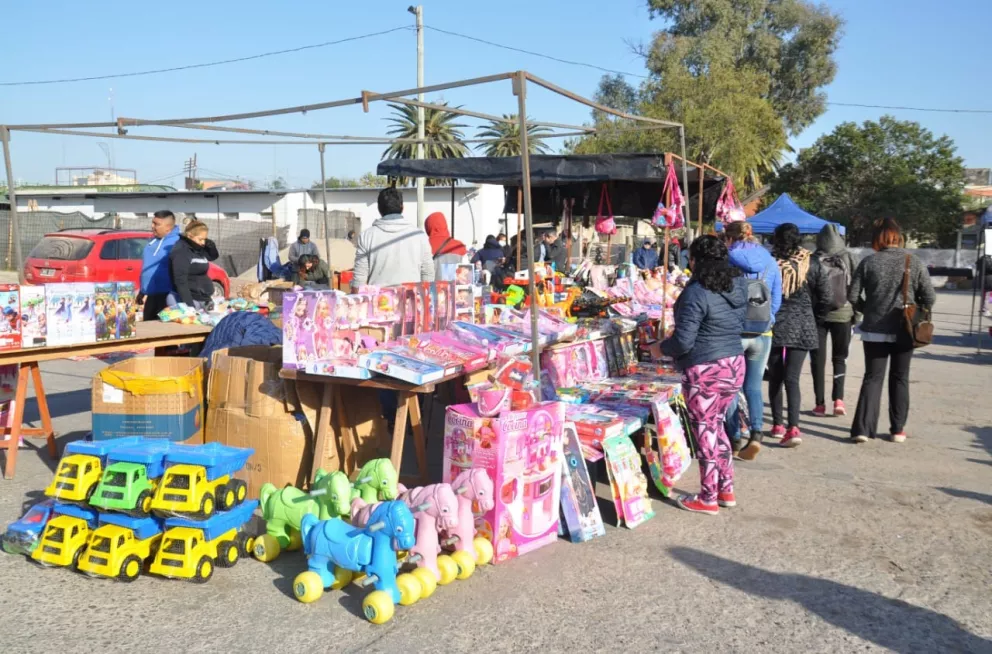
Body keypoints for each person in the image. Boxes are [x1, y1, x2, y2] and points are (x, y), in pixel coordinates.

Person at [661, 235, 747, 515]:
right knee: (717, 426)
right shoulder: (737, 285)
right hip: (734, 363)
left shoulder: (696, 292)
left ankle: (708, 497)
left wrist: (659, 348)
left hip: (706, 368)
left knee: (705, 431)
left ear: (695, 260)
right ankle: (726, 487)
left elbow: (683, 341)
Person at [848, 218, 935, 444]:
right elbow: (930, 297)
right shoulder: (913, 261)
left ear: (877, 238)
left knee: (872, 378)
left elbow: (852, 295)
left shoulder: (869, 262)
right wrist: (917, 311)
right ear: (899, 237)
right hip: (905, 329)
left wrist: (867, 309)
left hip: (874, 329)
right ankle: (897, 429)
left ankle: (863, 430)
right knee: (900, 377)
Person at [722, 221, 783, 461]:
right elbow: (776, 297)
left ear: (729, 238)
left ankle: (734, 437)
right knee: (754, 387)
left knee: (730, 387)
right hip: (763, 332)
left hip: (734, 331)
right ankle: (756, 434)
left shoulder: (728, 257)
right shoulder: (769, 260)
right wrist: (768, 320)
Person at [767, 223, 830, 448]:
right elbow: (826, 296)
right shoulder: (811, 262)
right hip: (803, 322)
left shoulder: (770, 262)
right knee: (792, 378)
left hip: (775, 322)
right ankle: (794, 427)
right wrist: (815, 317)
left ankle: (777, 424)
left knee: (775, 377)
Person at [810, 224, 856, 417]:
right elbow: (854, 287)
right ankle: (838, 400)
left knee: (817, 361)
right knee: (839, 358)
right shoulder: (847, 257)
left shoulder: (813, 258)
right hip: (843, 314)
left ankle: (819, 404)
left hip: (818, 315)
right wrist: (856, 314)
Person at [351, 187, 434, 290]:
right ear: (402, 207)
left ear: (379, 209)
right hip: (412, 301)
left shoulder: (367, 236)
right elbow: (428, 275)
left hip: (379, 302)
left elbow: (359, 281)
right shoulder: (419, 236)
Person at [139, 210, 181, 321]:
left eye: (156, 224)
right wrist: (142, 292)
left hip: (168, 296)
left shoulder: (177, 243)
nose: (152, 226)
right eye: (152, 223)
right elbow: (148, 269)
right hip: (151, 296)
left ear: (168, 227)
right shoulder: (152, 242)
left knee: (163, 330)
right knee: (147, 328)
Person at [169, 220, 219, 310]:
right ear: (189, 236)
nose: (203, 243)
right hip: (189, 300)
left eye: (205, 239)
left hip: (203, 298)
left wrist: (211, 246)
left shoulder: (197, 248)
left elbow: (211, 257)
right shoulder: (182, 251)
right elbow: (180, 280)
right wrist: (190, 306)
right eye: (201, 239)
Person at [425, 211, 467, 281]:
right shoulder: (459, 246)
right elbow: (466, 274)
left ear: (428, 227)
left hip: (431, 290)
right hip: (454, 290)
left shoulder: (424, 246)